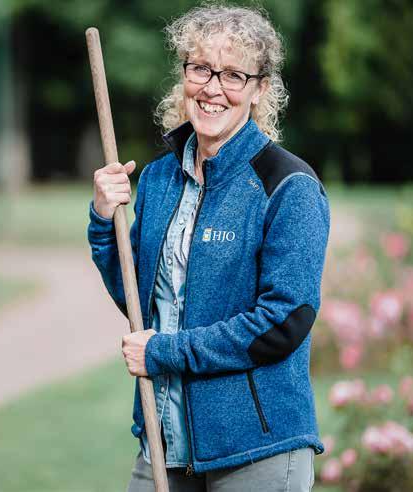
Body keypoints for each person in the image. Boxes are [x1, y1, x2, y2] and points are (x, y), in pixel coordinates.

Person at [88, 5, 329, 491]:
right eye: (200, 68)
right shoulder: (159, 179)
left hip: (256, 450)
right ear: (184, 76)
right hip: (164, 442)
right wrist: (102, 219)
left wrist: (166, 352)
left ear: (260, 89)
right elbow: (136, 298)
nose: (212, 88)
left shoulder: (288, 186)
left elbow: (283, 322)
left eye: (233, 75)